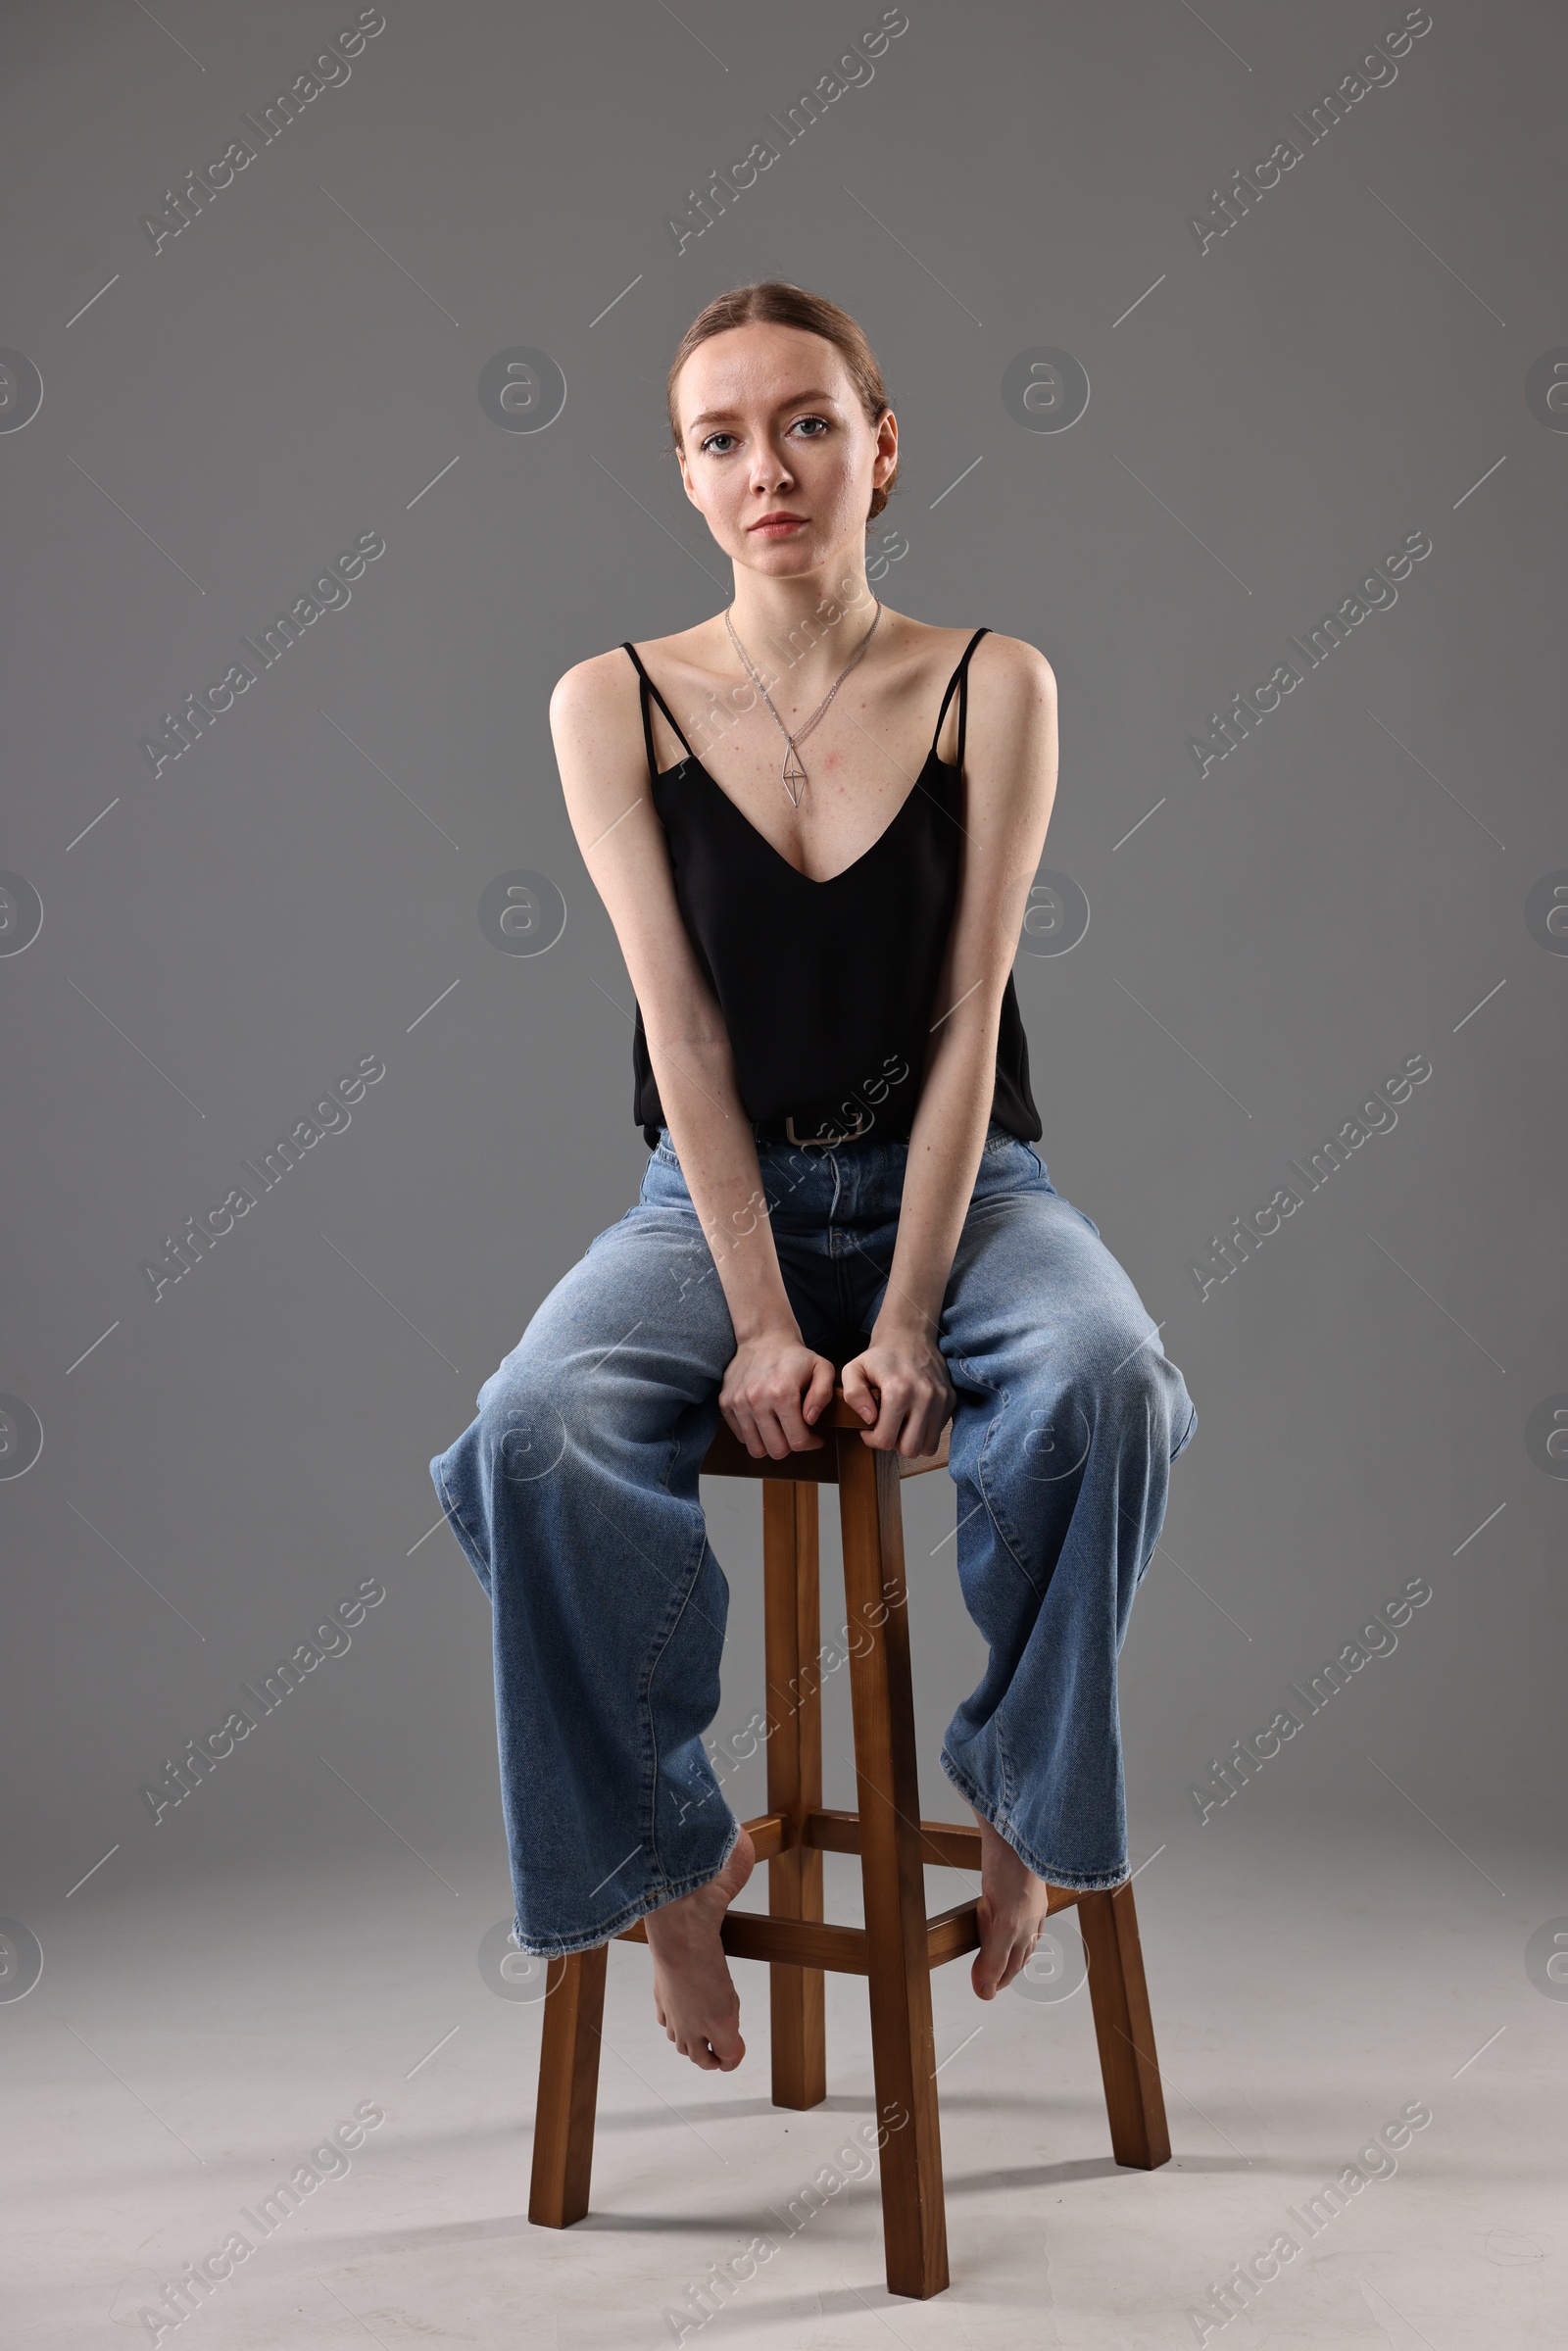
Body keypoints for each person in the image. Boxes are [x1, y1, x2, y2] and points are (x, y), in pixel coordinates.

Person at [429, 280, 1197, 2076]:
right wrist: (768, 1321)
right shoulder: (609, 701)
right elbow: (683, 1043)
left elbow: (965, 1012)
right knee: (533, 1422)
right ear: (685, 477)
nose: (765, 466)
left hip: (974, 1190)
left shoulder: (993, 684)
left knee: (1111, 1383)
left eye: (805, 424)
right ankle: (665, 1855)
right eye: (721, 437)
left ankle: (1021, 1792)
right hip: (714, 1208)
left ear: (881, 446)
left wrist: (912, 1305)